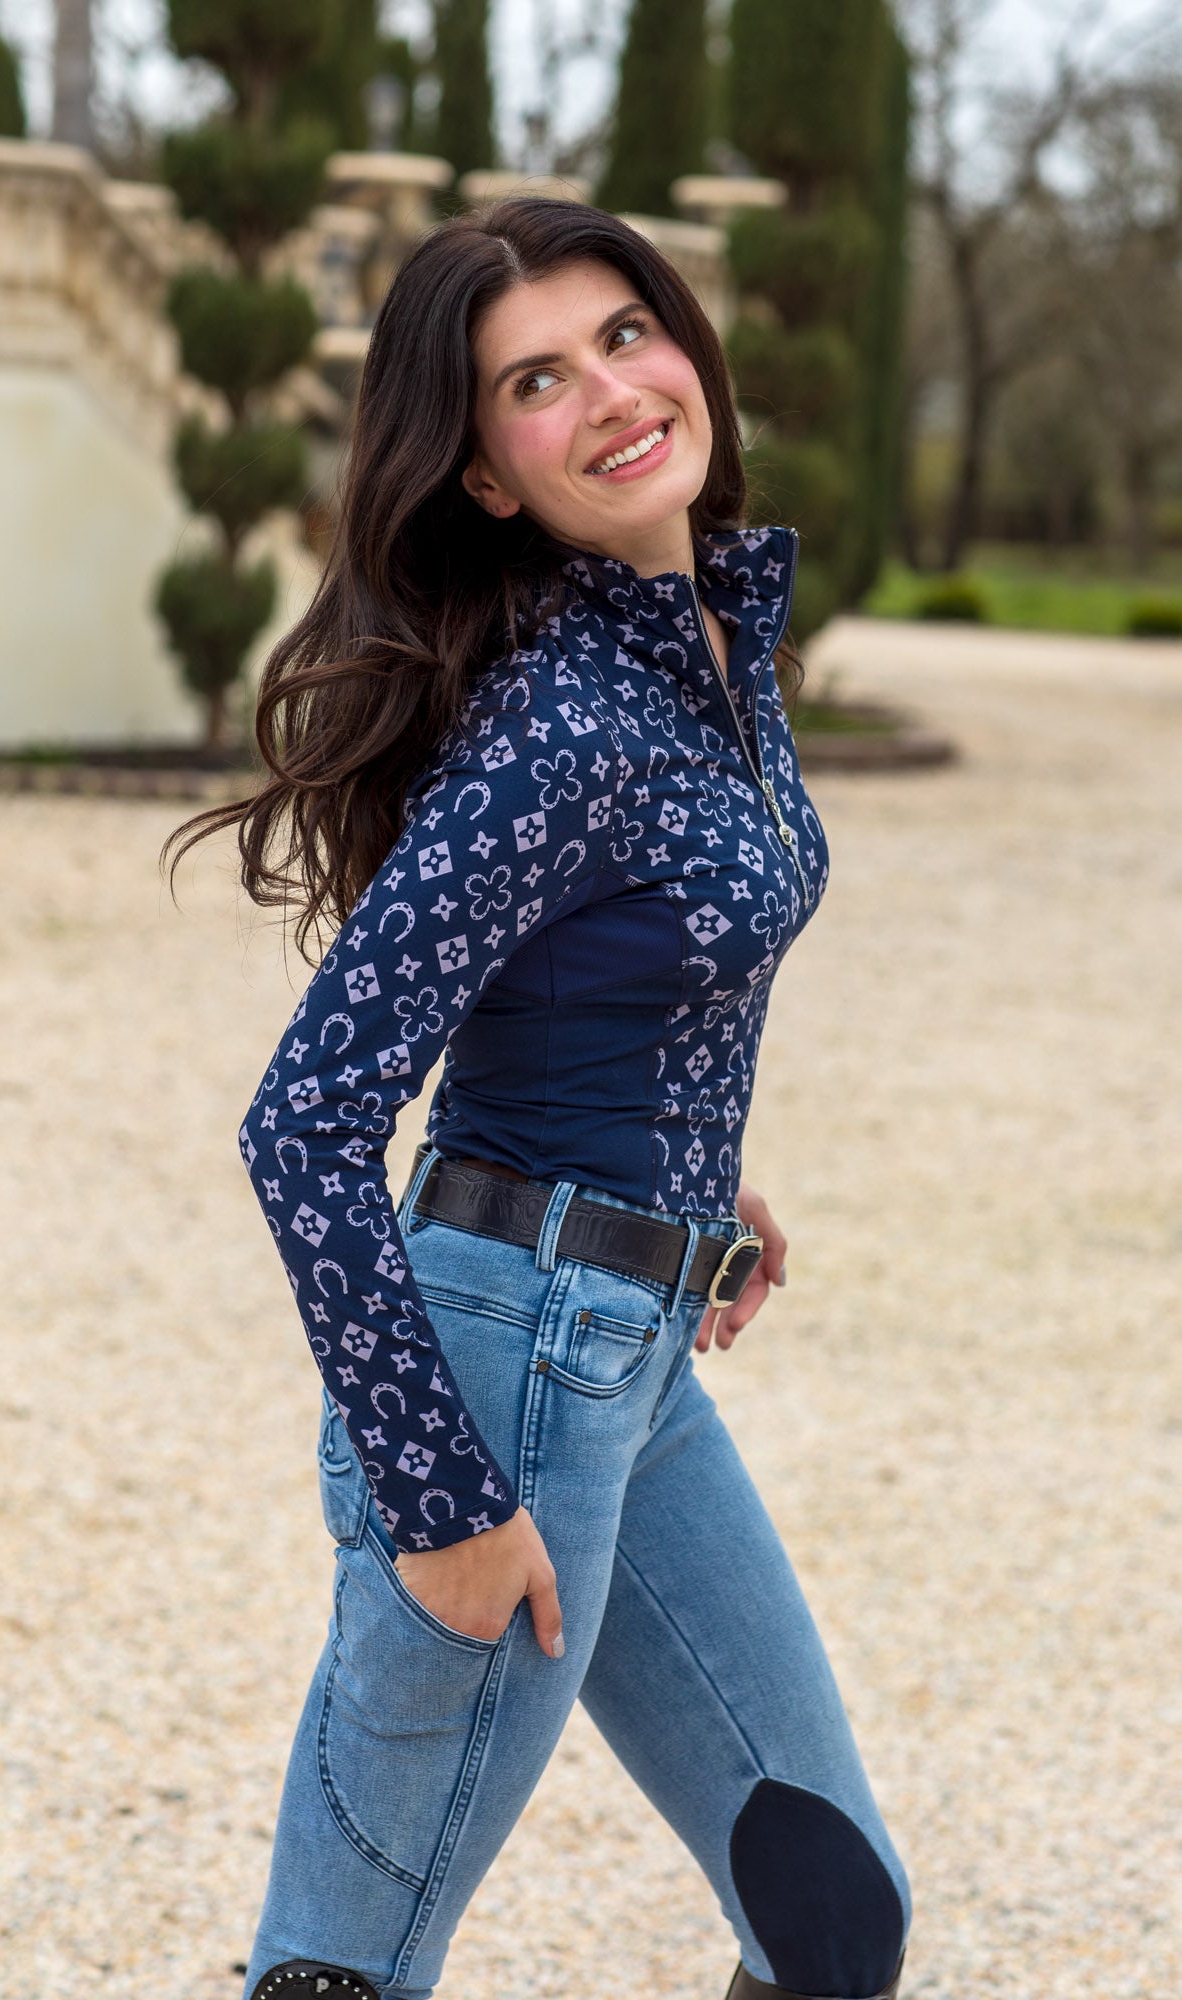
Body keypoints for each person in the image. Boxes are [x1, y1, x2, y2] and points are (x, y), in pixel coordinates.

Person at [165, 195, 911, 2000]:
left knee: (832, 1923)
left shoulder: (705, 645)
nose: (612, 393)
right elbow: (305, 1121)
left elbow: (610, 968)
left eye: (625, 335)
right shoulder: (564, 724)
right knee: (342, 1975)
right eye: (536, 380)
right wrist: (438, 1497)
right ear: (486, 475)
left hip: (629, 1360)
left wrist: (696, 1167)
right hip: (501, 1384)